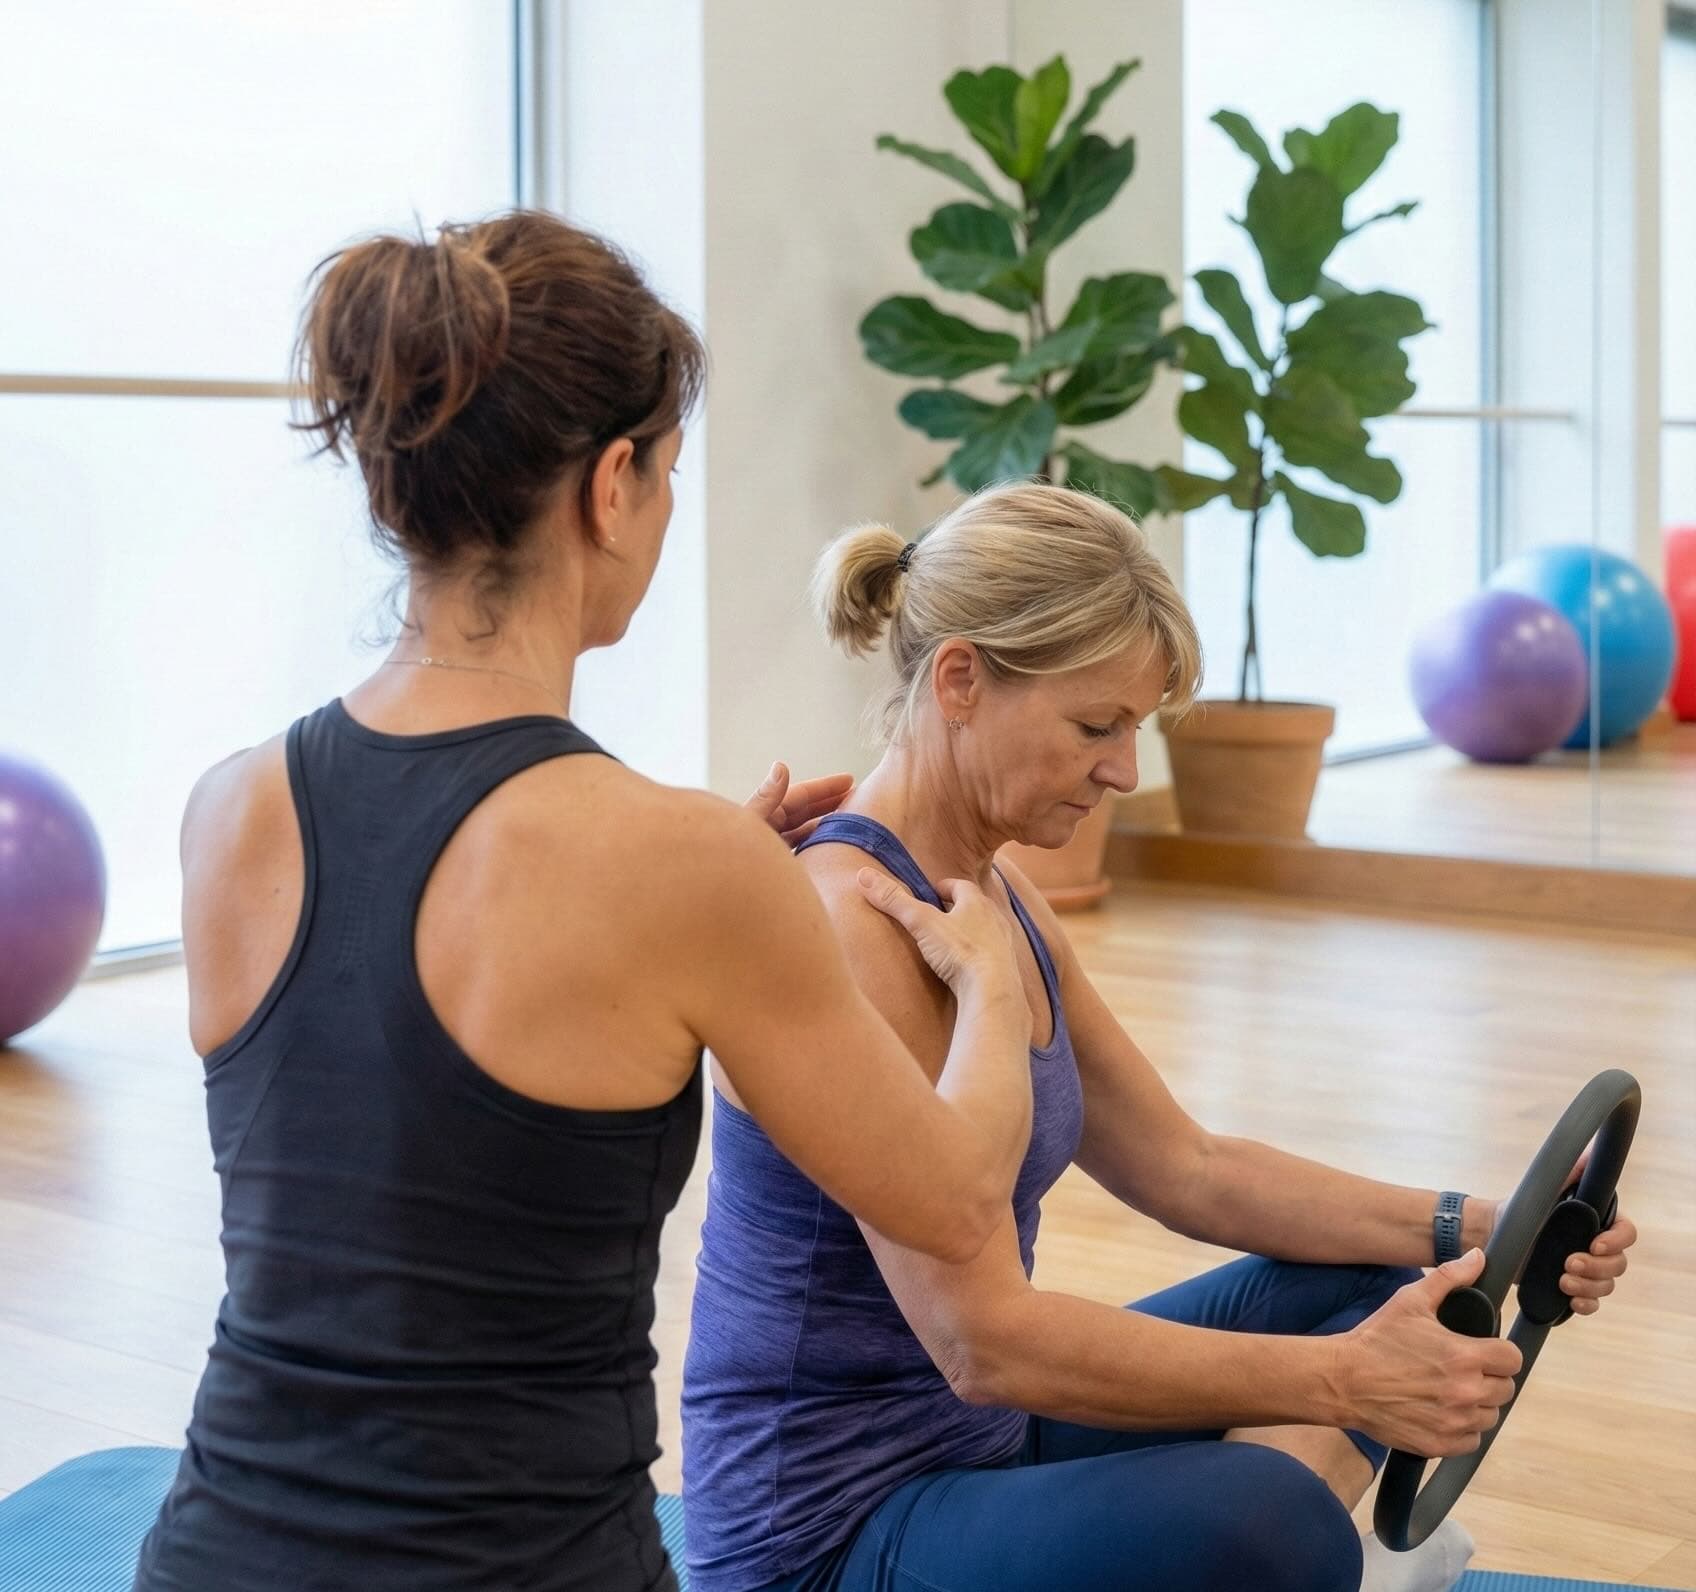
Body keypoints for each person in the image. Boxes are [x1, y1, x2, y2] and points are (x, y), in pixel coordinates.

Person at [132, 212, 1035, 1592]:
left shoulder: (225, 809)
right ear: (612, 485)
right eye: (669, 474)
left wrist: (697, 902)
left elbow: (386, 1145)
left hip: (214, 1557)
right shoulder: (678, 867)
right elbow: (959, 1204)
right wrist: (994, 977)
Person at [681, 483, 1638, 1592]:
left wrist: (1491, 1226)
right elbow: (982, 1343)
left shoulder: (995, 903)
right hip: (830, 1537)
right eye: (1096, 725)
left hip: (981, 1451)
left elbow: (1189, 1166)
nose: (1126, 769)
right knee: (1269, 1519)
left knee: (1391, 1272)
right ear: (960, 680)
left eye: (1132, 727)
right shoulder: (852, 921)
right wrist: (1340, 1382)